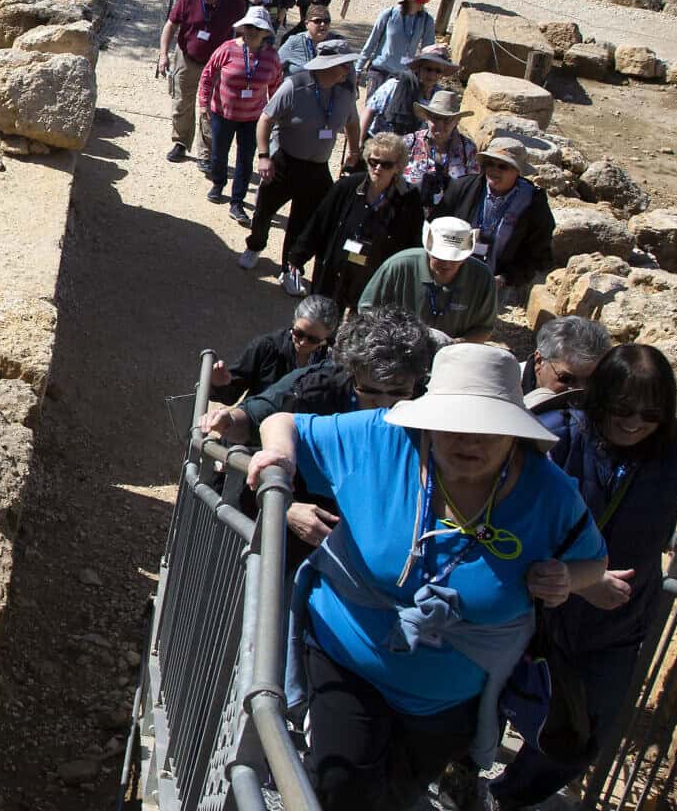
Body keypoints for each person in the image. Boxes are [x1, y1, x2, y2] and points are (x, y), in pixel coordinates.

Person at [243, 344, 608, 811]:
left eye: (488, 429)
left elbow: (593, 560)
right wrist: (279, 459)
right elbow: (285, 421)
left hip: (450, 695)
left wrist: (567, 578)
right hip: (349, 654)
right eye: (455, 423)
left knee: (389, 796)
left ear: (517, 434)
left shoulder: (550, 494)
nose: (468, 440)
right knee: (341, 783)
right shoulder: (383, 439)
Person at [475, 345, 677, 811]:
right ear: (599, 398)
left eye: (650, 414)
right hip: (527, 600)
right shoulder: (556, 433)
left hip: (617, 618)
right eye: (622, 410)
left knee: (584, 731)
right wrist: (579, 578)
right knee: (483, 697)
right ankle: (461, 762)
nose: (635, 423)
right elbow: (495, 510)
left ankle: (514, 797)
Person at [204, 308, 435, 561]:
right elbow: (256, 417)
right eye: (370, 391)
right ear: (351, 370)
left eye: (398, 392)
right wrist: (285, 506)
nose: (383, 404)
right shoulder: (314, 388)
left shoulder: (428, 407)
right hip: (290, 530)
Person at [238, 37, 361, 295]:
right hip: (285, 162)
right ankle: (255, 245)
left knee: (304, 223)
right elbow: (265, 120)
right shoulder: (294, 86)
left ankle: (290, 268)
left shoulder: (346, 92)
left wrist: (353, 150)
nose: (349, 70)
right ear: (328, 65)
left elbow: (352, 122)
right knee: (264, 211)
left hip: (318, 168)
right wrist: (263, 156)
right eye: (345, 65)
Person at [290, 131, 424, 310]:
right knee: (324, 320)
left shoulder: (409, 200)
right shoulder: (347, 187)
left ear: (398, 167)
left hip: (374, 276)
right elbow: (320, 221)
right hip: (336, 266)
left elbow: (412, 242)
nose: (377, 168)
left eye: (386, 164)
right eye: (373, 161)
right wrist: (298, 256)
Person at [438, 137, 558, 300]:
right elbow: (435, 226)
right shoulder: (463, 188)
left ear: (518, 170)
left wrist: (506, 278)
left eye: (503, 166)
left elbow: (537, 253)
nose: (494, 170)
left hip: (497, 284)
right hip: (450, 273)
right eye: (490, 164)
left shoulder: (533, 204)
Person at [158, 0, 248, 166]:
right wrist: (163, 55)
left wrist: (240, 61)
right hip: (187, 56)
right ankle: (180, 142)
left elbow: (242, 32)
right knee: (181, 101)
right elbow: (171, 25)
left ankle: (206, 152)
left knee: (210, 106)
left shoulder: (235, 2)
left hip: (217, 62)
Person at [198, 13, 283, 222]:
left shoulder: (271, 57)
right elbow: (208, 74)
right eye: (247, 27)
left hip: (253, 117)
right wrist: (203, 103)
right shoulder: (227, 48)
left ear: (265, 32)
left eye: (255, 28)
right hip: (223, 113)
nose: (250, 32)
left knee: (245, 159)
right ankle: (218, 184)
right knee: (219, 153)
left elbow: (276, 86)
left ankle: (237, 201)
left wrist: (274, 115)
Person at [359, 217, 498, 342]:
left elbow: (484, 328)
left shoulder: (482, 278)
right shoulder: (398, 266)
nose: (447, 264)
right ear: (428, 250)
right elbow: (367, 309)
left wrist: (454, 345)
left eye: (455, 258)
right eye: (440, 257)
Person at [208, 294, 343, 404]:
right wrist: (220, 384)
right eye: (299, 333)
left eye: (313, 340)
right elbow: (231, 395)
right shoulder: (267, 347)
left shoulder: (332, 363)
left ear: (325, 338)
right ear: (293, 322)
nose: (302, 342)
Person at [355, 0, 438, 97]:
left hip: (403, 76)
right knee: (372, 110)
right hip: (379, 71)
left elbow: (428, 52)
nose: (425, 2)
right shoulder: (388, 14)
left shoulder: (426, 21)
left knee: (391, 114)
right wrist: (358, 70)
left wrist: (426, 78)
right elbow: (371, 43)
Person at [402, 87, 481, 211]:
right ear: (426, 118)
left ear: (456, 121)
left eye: (447, 120)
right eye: (435, 118)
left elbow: (472, 189)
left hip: (449, 220)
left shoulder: (468, 149)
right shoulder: (408, 143)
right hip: (409, 214)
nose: (440, 125)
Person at [362, 46, 456, 142]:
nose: (432, 75)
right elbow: (370, 110)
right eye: (428, 69)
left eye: (438, 71)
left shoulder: (440, 95)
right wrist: (358, 144)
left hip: (413, 150)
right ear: (419, 68)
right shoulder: (395, 85)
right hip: (379, 142)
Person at [522, 315, 610, 415]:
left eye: (591, 380)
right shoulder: (507, 390)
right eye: (566, 379)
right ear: (539, 361)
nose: (580, 390)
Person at [279, 6, 335, 73]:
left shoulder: (337, 43)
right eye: (317, 21)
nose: (323, 24)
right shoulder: (294, 41)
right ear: (306, 24)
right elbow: (273, 66)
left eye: (326, 21)